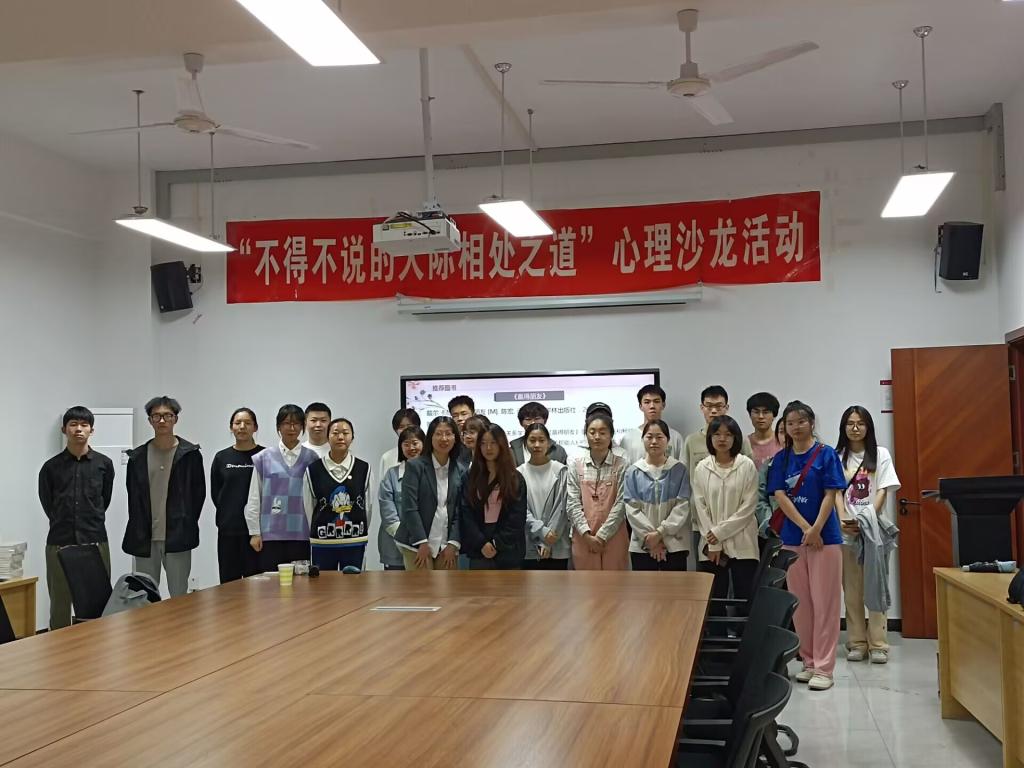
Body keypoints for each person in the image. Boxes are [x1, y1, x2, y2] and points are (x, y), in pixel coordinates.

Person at [767, 400, 846, 691]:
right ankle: (809, 661)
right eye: (790, 423)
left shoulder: (826, 454)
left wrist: (816, 529)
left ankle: (825, 668)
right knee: (801, 604)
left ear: (811, 423)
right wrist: (804, 528)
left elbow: (830, 494)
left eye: (801, 421)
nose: (796, 427)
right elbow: (780, 495)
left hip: (825, 539)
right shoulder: (781, 458)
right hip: (793, 538)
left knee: (825, 603)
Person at [833, 406, 901, 664]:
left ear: (868, 427)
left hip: (874, 532)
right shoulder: (837, 456)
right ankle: (856, 642)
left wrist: (868, 517)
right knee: (852, 591)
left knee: (876, 586)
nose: (855, 428)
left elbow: (883, 489)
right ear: (844, 427)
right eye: (850, 423)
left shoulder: (880, 454)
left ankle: (879, 644)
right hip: (847, 533)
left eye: (860, 423)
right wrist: (842, 518)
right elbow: (835, 492)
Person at [38, 406, 114, 629]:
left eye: (84, 425)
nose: (78, 429)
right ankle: (58, 646)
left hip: (95, 539)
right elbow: (48, 503)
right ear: (64, 429)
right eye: (73, 424)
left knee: (98, 602)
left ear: (92, 430)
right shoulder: (50, 467)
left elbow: (104, 500)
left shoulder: (104, 464)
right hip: (59, 540)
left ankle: (96, 645)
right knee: (60, 603)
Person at [124, 396, 205, 598]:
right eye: (156, 416)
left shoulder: (190, 455)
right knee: (145, 595)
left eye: (167, 415)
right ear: (150, 420)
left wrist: (186, 520)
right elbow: (132, 496)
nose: (162, 420)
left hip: (178, 535)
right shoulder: (137, 457)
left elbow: (198, 494)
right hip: (145, 537)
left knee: (179, 595)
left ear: (175, 419)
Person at [692, 415, 760, 613]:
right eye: (717, 434)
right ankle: (717, 634)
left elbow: (749, 506)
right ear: (710, 438)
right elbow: (700, 507)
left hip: (743, 543)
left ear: (735, 438)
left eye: (728, 434)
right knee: (714, 601)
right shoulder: (702, 467)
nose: (722, 438)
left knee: (744, 598)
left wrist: (719, 533)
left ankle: (742, 633)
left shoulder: (746, 465)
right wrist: (714, 542)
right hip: (711, 547)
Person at [245, 404, 319, 571]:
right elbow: (254, 497)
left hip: (303, 534)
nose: (291, 428)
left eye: (296, 424)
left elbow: (316, 499)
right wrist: (255, 532)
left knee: (301, 583)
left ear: (302, 427)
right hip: (271, 535)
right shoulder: (263, 458)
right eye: (286, 423)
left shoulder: (312, 459)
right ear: (278, 426)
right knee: (271, 583)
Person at [684, 386, 753, 557]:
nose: (713, 411)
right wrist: (710, 531)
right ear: (702, 407)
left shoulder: (741, 441)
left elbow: (749, 483)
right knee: (708, 571)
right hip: (702, 522)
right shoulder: (691, 441)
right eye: (709, 406)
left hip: (738, 523)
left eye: (719, 406)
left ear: (726, 407)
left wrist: (724, 529)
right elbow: (687, 480)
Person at [395, 416, 466, 570]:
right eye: (438, 433)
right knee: (421, 585)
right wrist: (421, 542)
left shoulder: (460, 470)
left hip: (446, 545)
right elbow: (409, 508)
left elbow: (460, 511)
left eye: (448, 434)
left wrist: (453, 543)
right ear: (430, 438)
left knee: (447, 585)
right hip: (416, 543)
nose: (444, 438)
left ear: (455, 438)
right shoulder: (415, 466)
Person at [304, 418, 373, 571]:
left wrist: (360, 530)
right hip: (322, 542)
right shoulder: (313, 470)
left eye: (345, 433)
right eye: (335, 433)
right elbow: (309, 507)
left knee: (354, 581)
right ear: (327, 437)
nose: (340, 437)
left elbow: (368, 506)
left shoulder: (364, 469)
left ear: (352, 437)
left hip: (355, 541)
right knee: (322, 583)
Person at [623, 420, 692, 571]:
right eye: (649, 437)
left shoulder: (679, 470)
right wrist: (651, 539)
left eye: (659, 437)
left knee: (674, 586)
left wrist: (660, 533)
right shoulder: (633, 472)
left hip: (674, 544)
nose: (654, 441)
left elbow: (682, 506)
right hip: (643, 545)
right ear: (642, 439)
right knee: (645, 587)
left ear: (668, 440)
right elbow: (631, 509)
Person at [566, 411, 630, 570]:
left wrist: (602, 536)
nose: (597, 437)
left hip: (614, 535)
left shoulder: (622, 464)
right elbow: (572, 503)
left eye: (602, 432)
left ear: (611, 435)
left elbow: (621, 503)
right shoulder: (575, 464)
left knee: (615, 582)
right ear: (586, 435)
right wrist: (587, 535)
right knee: (586, 583)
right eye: (592, 432)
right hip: (583, 537)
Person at [457, 424, 527, 569]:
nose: (488, 448)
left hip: (508, 548)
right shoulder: (470, 477)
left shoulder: (515, 478)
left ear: (501, 444)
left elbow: (517, 517)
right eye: (483, 443)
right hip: (479, 547)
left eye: (493, 443)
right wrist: (481, 542)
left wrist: (496, 543)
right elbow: (466, 513)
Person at [210, 407, 264, 583]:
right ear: (231, 427)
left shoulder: (264, 456)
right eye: (237, 423)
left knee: (256, 584)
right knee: (229, 584)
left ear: (255, 427)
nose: (242, 427)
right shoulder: (221, 457)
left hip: (257, 532)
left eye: (247, 423)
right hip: (229, 530)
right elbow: (216, 493)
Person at [519, 424, 570, 570]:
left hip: (557, 544)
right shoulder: (519, 473)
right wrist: (542, 532)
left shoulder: (560, 470)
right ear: (525, 443)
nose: (537, 445)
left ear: (548, 443)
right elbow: (521, 509)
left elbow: (562, 508)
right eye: (532, 440)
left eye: (541, 440)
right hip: (529, 545)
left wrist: (548, 540)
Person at [378, 426, 426, 570]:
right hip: (395, 545)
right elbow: (388, 512)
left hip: (425, 545)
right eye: (406, 444)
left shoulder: (432, 473)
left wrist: (420, 539)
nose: (411, 448)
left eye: (415, 443)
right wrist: (407, 537)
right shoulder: (391, 475)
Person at [620, 385, 685, 464]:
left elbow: (682, 467)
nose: (652, 406)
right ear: (640, 406)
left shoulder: (675, 437)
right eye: (647, 402)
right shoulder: (628, 438)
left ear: (663, 405)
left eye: (656, 401)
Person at [754, 418, 788, 536]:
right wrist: (770, 524)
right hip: (777, 531)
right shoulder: (769, 465)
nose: (786, 436)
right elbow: (760, 499)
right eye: (782, 431)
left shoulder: (816, 461)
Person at [378, 408, 421, 491]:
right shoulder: (387, 457)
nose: (406, 430)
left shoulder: (428, 454)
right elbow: (383, 491)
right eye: (401, 427)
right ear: (395, 430)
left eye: (409, 426)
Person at [746, 392, 783, 471]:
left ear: (774, 415)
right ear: (750, 415)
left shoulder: (782, 441)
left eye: (766, 412)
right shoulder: (744, 443)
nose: (761, 416)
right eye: (756, 412)